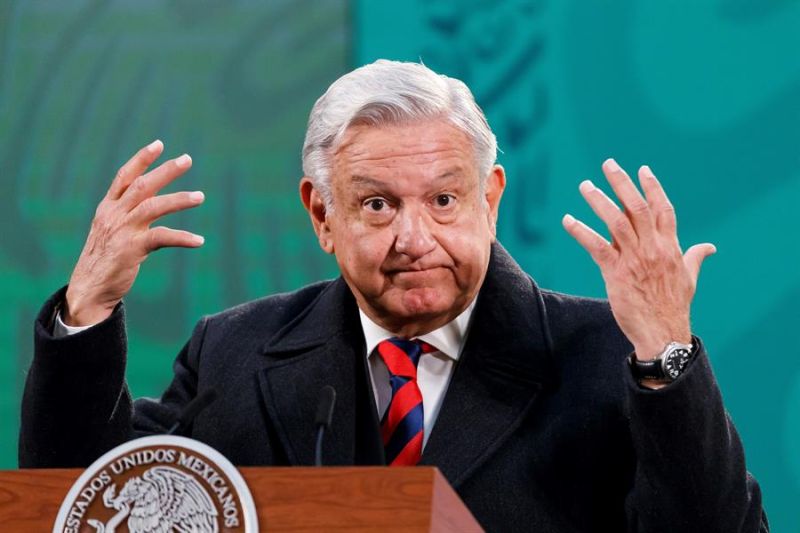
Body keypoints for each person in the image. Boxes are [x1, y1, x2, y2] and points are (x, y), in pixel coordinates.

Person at [20, 60, 767, 532]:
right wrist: (86, 314)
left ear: (490, 198)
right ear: (321, 214)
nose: (414, 235)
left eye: (444, 200)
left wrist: (667, 351)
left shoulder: (608, 354)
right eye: (377, 205)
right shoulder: (238, 353)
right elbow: (81, 508)